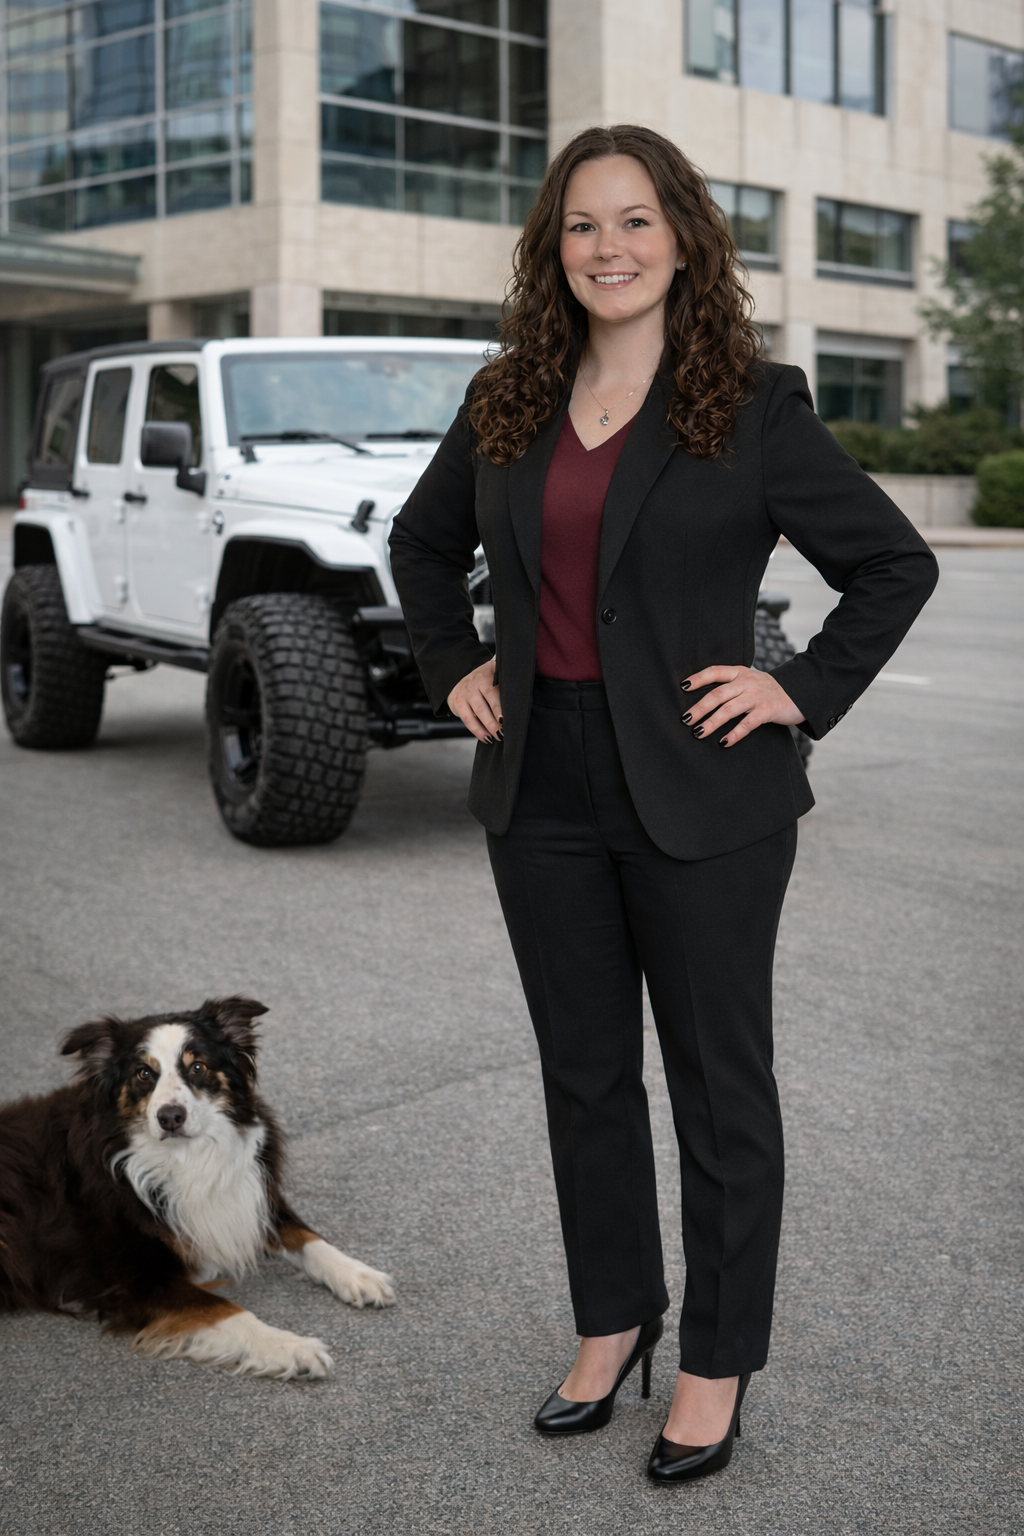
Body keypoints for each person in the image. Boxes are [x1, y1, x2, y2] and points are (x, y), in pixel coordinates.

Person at [388, 124, 938, 1483]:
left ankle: (716, 1358)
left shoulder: (750, 402)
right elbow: (421, 541)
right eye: (583, 226)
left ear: (682, 236)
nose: (610, 248)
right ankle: (614, 1317)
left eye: (636, 221)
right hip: (542, 778)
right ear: (551, 247)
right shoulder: (507, 394)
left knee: (716, 1085)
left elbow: (893, 563)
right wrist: (455, 662)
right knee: (583, 1075)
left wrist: (794, 688)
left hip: (704, 786)